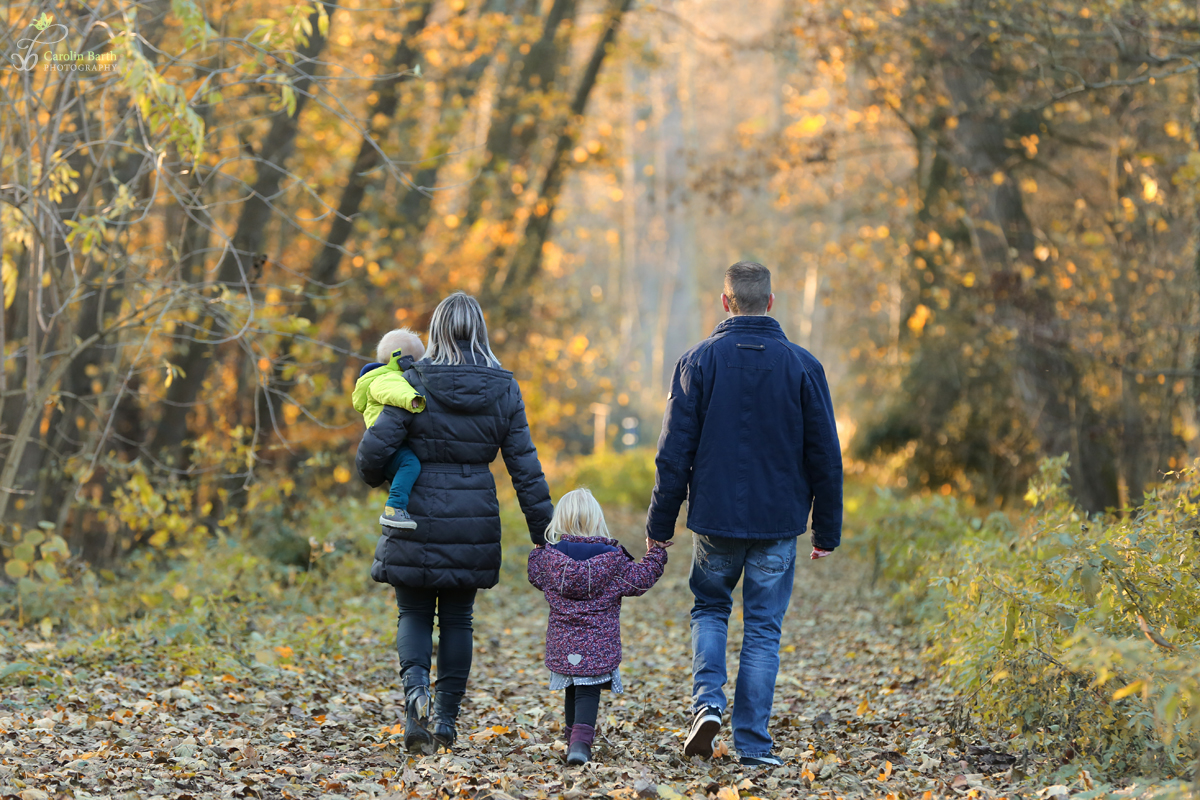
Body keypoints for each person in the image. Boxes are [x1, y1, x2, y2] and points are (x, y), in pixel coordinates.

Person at [644, 261, 843, 767]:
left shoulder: (697, 362)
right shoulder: (803, 366)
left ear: (725, 301)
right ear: (770, 302)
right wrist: (827, 529)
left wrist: (659, 527)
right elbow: (825, 454)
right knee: (762, 629)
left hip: (714, 520)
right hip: (778, 523)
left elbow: (673, 453)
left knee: (710, 609)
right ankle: (753, 745)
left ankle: (707, 703)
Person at [355, 292, 553, 755]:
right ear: (481, 330)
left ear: (437, 331)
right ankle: (445, 719)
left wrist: (386, 475)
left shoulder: (412, 381)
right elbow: (525, 468)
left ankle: (415, 700)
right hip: (473, 519)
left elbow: (371, 456)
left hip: (415, 517)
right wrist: (546, 537)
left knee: (414, 614)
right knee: (459, 618)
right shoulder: (504, 387)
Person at [527, 488, 669, 766]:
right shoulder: (614, 559)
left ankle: (573, 740)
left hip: (563, 640)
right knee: (588, 687)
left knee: (571, 683)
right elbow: (640, 580)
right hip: (599, 640)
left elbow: (535, 575)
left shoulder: (548, 559)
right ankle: (580, 743)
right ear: (597, 519)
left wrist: (537, 550)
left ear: (560, 520)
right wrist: (656, 553)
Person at [352, 328, 427, 529]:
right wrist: (413, 399)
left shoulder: (378, 376)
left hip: (387, 442)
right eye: (417, 362)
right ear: (404, 361)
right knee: (410, 464)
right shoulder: (388, 378)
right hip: (390, 444)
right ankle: (394, 508)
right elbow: (396, 391)